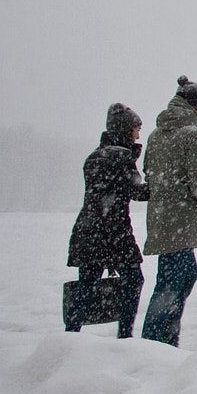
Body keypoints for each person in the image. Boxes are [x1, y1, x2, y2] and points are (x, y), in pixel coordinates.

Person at [65, 103, 150, 337]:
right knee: (134, 281)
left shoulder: (94, 156)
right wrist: (161, 184)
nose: (138, 135)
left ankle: (70, 335)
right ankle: (124, 336)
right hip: (114, 232)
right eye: (136, 129)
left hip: (89, 229)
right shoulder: (121, 156)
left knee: (86, 287)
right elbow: (138, 192)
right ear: (125, 130)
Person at [141, 77, 197, 347]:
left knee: (178, 277)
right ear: (195, 106)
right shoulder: (193, 135)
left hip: (162, 217)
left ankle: (163, 338)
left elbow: (149, 172)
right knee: (172, 283)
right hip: (181, 218)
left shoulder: (155, 135)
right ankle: (156, 342)